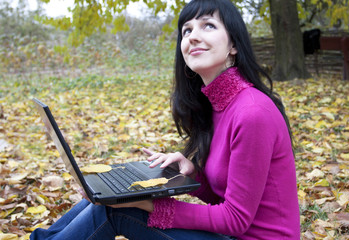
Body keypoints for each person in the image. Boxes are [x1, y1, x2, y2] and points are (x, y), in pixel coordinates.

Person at [30, 0, 300, 239]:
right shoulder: (218, 105)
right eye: (187, 30)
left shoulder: (252, 113)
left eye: (208, 26)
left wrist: (150, 204)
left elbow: (236, 219)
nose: (193, 36)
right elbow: (227, 196)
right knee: (103, 199)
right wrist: (193, 172)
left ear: (233, 45)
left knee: (117, 212)